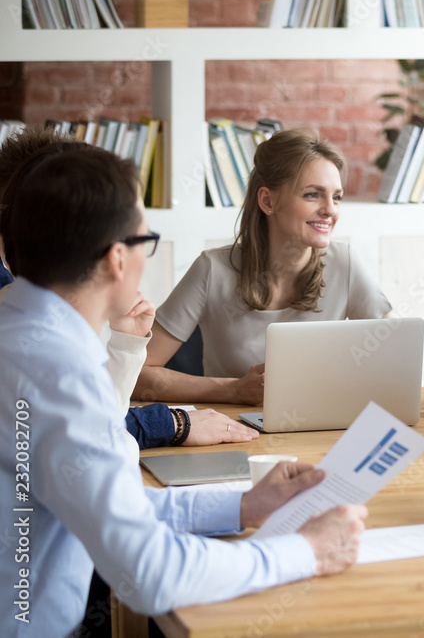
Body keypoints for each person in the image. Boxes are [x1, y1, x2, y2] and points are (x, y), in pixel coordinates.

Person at [0, 145, 367, 637]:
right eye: (145, 240)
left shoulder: (23, 336)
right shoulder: (56, 372)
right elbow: (150, 573)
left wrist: (244, 506)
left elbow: (116, 503)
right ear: (116, 258)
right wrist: (307, 552)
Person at [0, 126, 256, 450]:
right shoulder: (50, 352)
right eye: (143, 239)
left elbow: (103, 436)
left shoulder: (50, 321)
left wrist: (125, 348)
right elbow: (103, 456)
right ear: (116, 256)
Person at [135, 128, 392, 405]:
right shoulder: (212, 270)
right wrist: (232, 390)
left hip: (321, 428)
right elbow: (138, 375)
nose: (330, 210)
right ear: (268, 201)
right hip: (233, 432)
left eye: (337, 197)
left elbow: (397, 355)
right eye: (312, 195)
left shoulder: (345, 263)